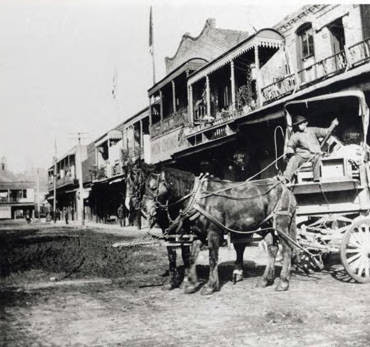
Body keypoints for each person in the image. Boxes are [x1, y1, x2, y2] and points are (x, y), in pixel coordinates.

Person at [284, 115, 338, 183]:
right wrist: (289, 151)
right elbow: (290, 145)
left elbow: (326, 132)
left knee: (317, 157)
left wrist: (333, 125)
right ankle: (286, 178)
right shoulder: (296, 135)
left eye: (301, 123)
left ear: (306, 123)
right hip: (302, 155)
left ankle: (316, 179)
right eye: (298, 124)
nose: (300, 126)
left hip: (315, 154)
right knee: (294, 159)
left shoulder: (313, 130)